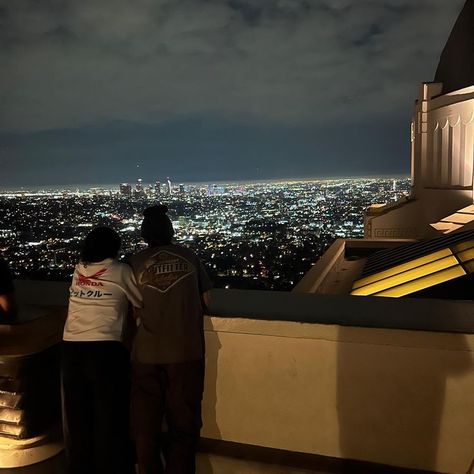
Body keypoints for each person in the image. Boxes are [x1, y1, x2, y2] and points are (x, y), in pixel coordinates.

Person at [129, 205, 212, 474]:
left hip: (146, 354)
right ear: (170, 230)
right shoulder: (189, 257)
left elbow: (131, 309)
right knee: (184, 424)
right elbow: (206, 301)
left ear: (144, 234)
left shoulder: (134, 263)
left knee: (145, 424)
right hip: (186, 352)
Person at [61, 227, 142, 474]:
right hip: (105, 349)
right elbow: (140, 302)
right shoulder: (120, 270)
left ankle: (80, 467)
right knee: (110, 413)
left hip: (70, 348)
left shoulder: (79, 270)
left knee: (78, 415)